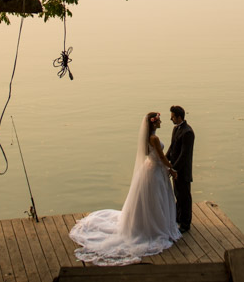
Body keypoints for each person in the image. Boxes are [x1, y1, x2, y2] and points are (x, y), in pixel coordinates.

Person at [69, 111, 181, 265]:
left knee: (151, 200)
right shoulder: (154, 138)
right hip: (155, 170)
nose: (162, 122)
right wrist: (172, 168)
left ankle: (146, 224)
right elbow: (161, 157)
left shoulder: (148, 138)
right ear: (154, 123)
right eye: (159, 120)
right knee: (156, 199)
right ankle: (153, 227)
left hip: (150, 168)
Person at [166, 105, 194, 233]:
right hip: (175, 168)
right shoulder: (176, 129)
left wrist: (175, 169)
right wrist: (165, 160)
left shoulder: (188, 132)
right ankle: (178, 217)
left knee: (184, 197)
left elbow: (184, 154)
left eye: (173, 117)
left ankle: (185, 223)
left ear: (179, 117)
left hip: (182, 171)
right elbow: (172, 147)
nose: (171, 119)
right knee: (178, 194)